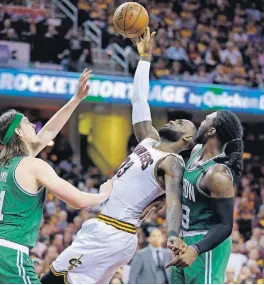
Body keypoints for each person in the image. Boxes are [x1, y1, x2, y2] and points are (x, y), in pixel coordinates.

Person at [41, 27, 197, 284]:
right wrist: (145, 58)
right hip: (109, 229)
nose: (176, 121)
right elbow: (138, 98)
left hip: (114, 230)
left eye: (182, 123)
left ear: (187, 140)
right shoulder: (149, 139)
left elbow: (173, 202)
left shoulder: (172, 162)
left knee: (52, 279)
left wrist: (172, 234)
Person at [0, 69, 112, 284]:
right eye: (28, 123)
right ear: (19, 133)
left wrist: (76, 99)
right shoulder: (33, 165)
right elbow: (77, 200)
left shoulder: (7, 164)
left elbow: (47, 134)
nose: (33, 125)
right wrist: (103, 194)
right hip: (10, 254)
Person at [167, 110, 244, 283]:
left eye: (206, 120)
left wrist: (195, 249)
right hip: (185, 238)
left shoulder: (217, 175)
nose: (200, 122)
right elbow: (182, 192)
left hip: (206, 245)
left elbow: (225, 225)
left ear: (212, 131)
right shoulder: (195, 151)